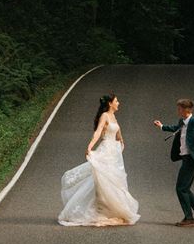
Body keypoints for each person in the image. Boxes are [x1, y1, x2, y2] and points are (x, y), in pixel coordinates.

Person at [58, 94, 139, 226]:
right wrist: (90, 146)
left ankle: (110, 210)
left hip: (114, 153)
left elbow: (117, 132)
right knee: (102, 180)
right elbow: (98, 132)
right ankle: (100, 210)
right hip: (106, 150)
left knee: (114, 182)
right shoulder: (105, 116)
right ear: (110, 103)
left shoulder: (113, 116)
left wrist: (121, 140)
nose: (119, 103)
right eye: (116, 101)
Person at [154, 98, 194, 227]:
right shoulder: (182, 121)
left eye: (179, 108)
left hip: (192, 159)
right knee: (185, 188)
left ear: (185, 110)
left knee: (180, 188)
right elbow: (175, 128)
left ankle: (189, 218)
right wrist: (161, 126)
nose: (178, 110)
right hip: (186, 158)